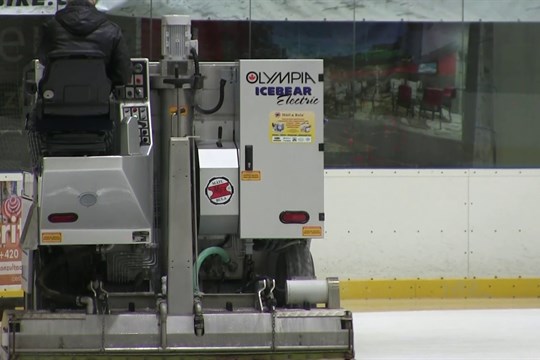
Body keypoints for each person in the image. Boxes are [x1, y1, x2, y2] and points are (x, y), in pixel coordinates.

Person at [37, 0, 131, 86]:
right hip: (99, 100)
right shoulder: (112, 31)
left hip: (55, 100)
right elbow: (123, 76)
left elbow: (43, 60)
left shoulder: (50, 28)